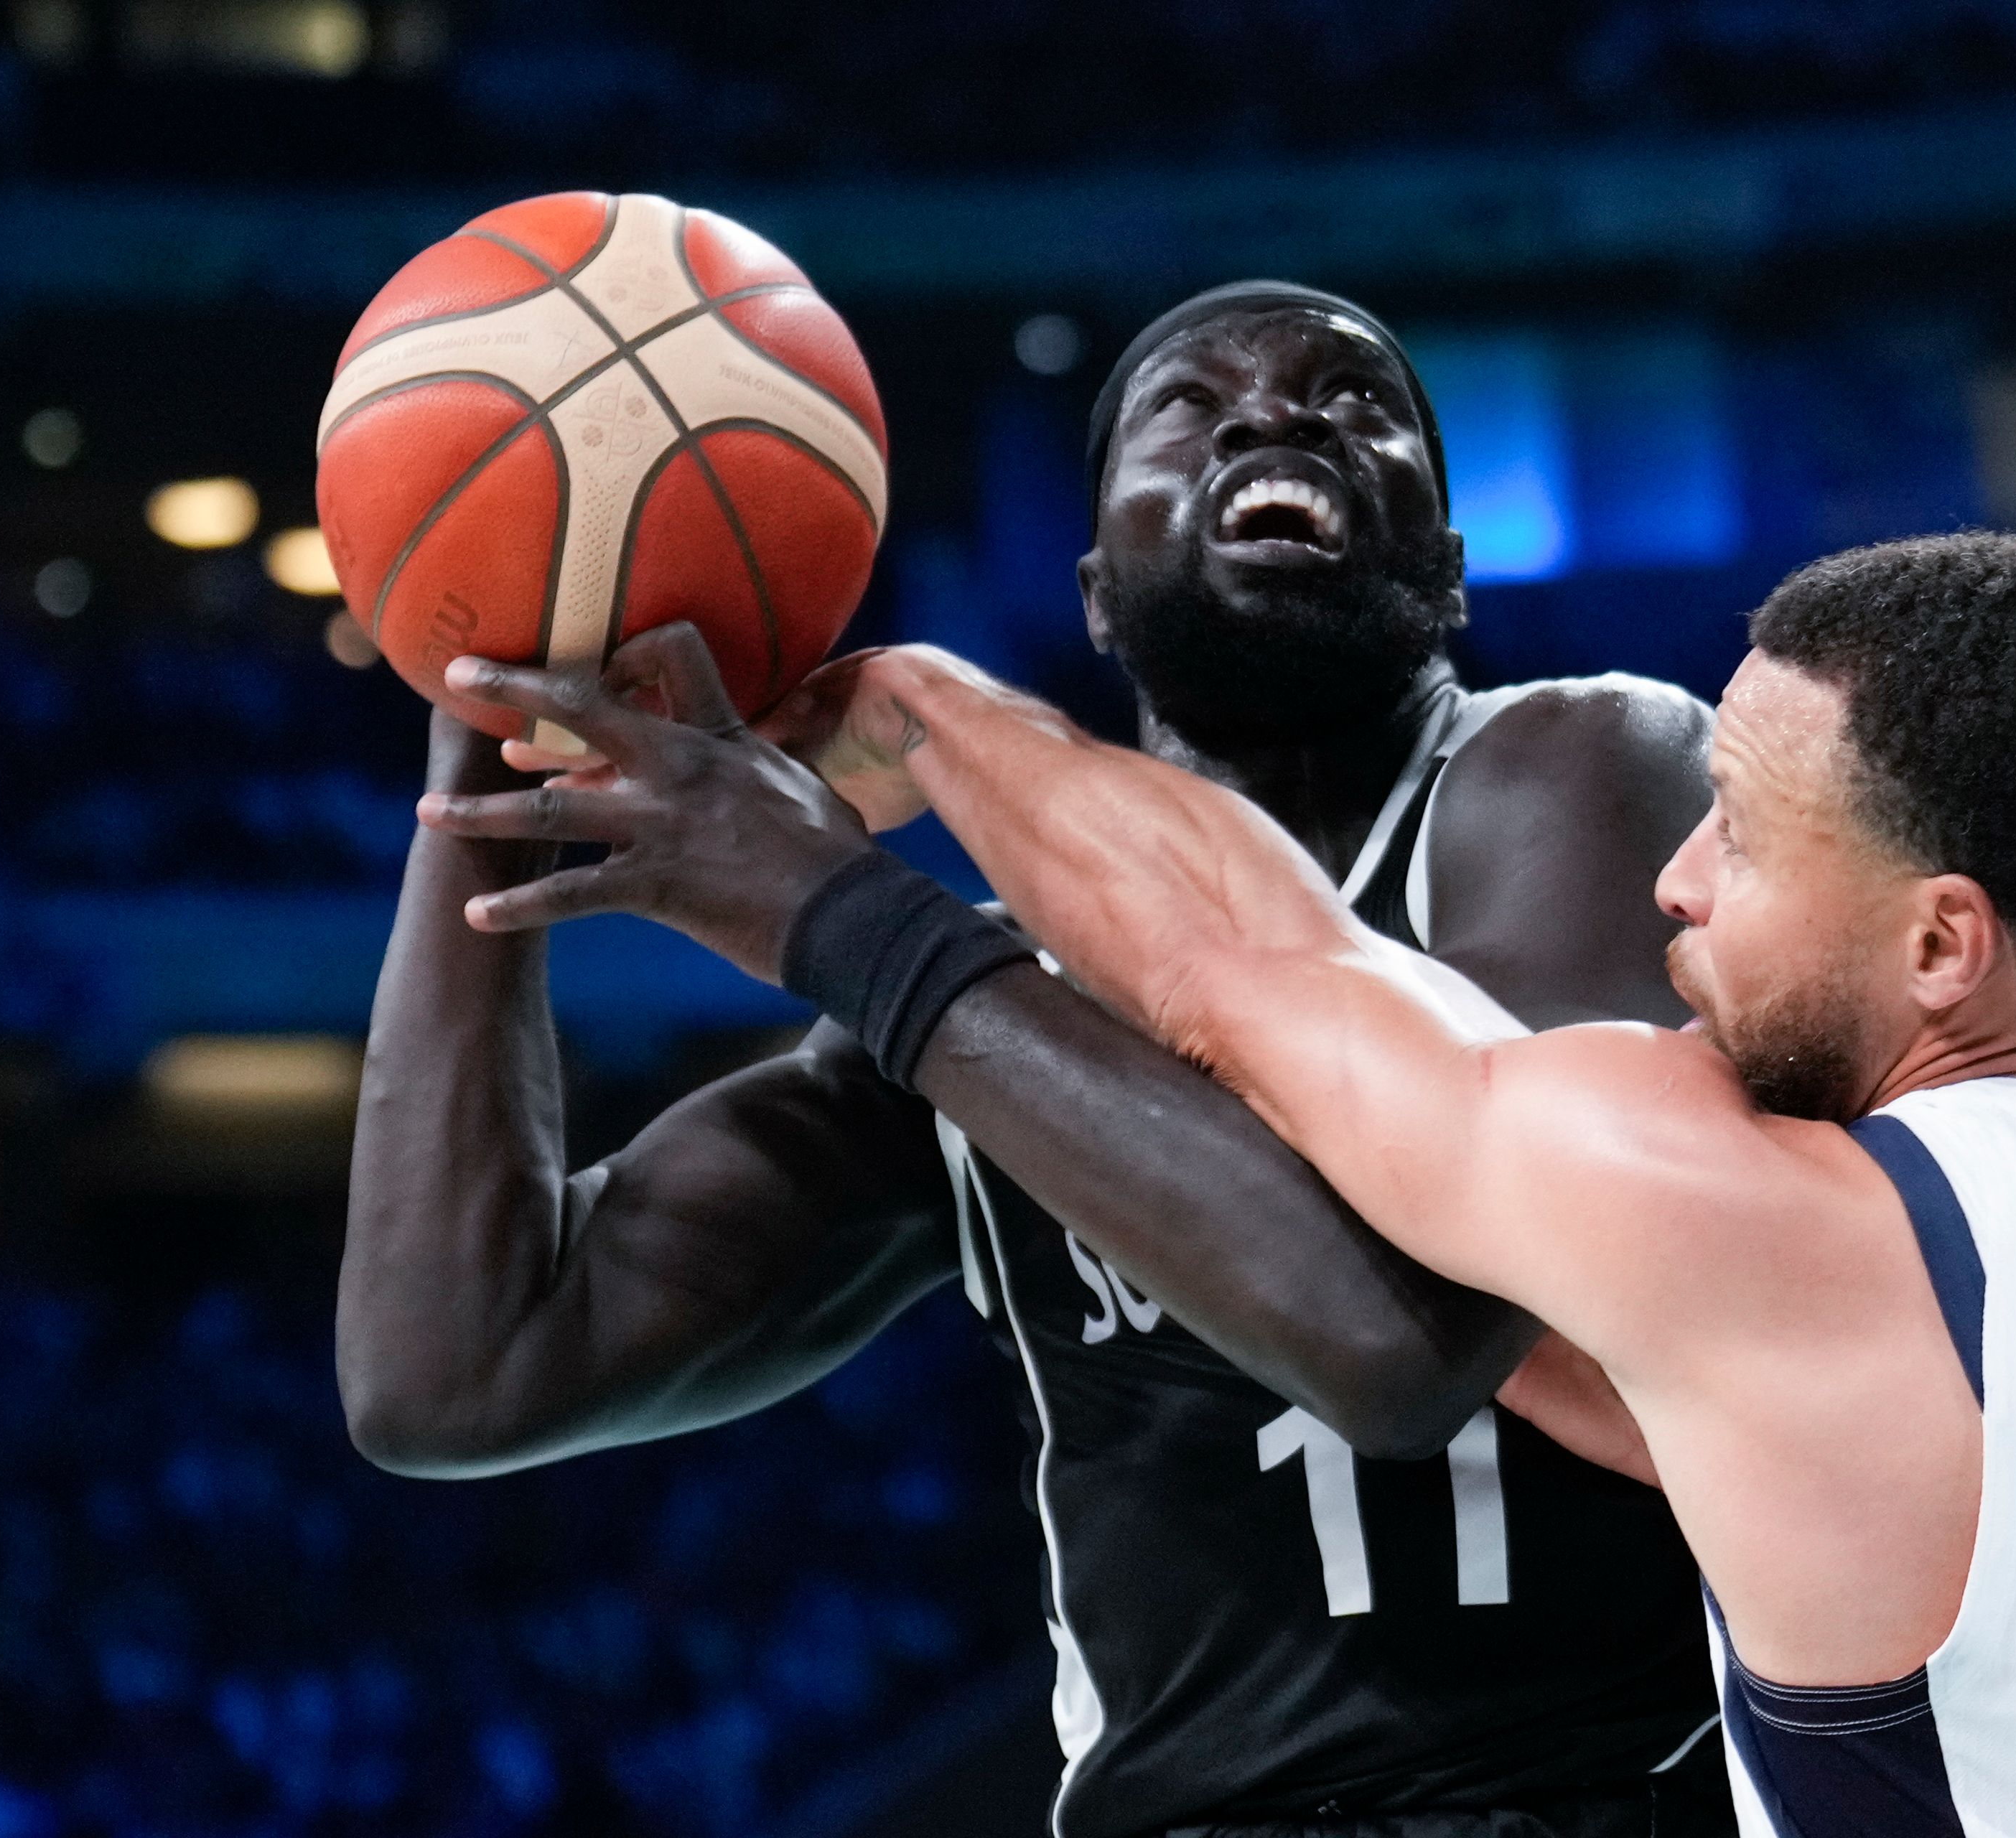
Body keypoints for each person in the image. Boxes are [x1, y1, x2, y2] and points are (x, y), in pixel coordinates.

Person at [438, 531, 2016, 1834]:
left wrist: (896, 755)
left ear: (1941, 946)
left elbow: (1260, 973)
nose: (1678, 882)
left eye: (1748, 832)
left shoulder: (1797, 1241)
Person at [350, 281, 1734, 1838]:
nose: (1274, 416)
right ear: (1093, 593)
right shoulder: (988, 999)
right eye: (1188, 408)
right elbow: (456, 1370)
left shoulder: (1578, 769)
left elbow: (1402, 1332)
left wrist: (845, 918)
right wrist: (486, 723)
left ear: (1451, 574)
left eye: (1354, 403)